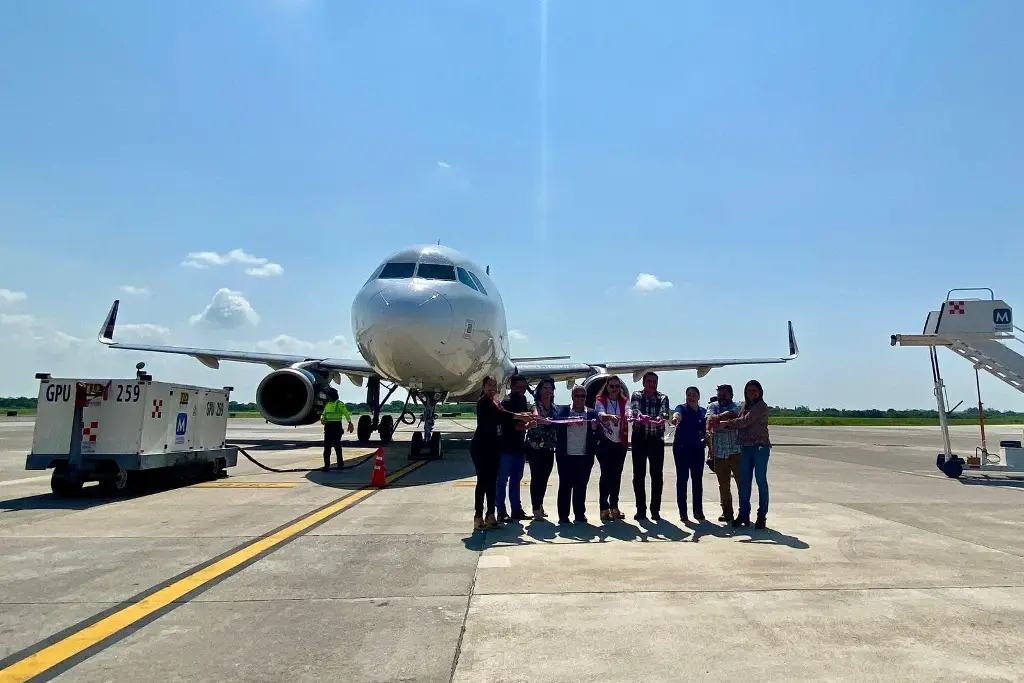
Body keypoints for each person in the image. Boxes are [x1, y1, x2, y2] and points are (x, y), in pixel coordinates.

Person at [470, 376, 533, 530]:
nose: (492, 387)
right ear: (483, 387)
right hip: (481, 447)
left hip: (494, 447)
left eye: (494, 385)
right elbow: (501, 416)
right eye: (489, 385)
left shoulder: (496, 403)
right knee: (483, 481)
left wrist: (524, 417)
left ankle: (490, 514)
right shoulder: (484, 402)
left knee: (491, 482)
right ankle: (478, 516)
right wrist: (519, 416)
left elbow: (503, 416)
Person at [718, 379, 771, 529]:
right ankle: (744, 515)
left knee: (761, 481)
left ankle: (762, 516)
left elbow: (744, 422)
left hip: (760, 447)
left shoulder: (761, 406)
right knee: (744, 483)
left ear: (760, 392)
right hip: (746, 448)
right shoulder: (744, 406)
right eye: (749, 391)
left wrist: (725, 423)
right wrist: (723, 422)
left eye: (754, 390)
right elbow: (738, 420)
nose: (752, 393)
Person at [550, 385, 602, 524]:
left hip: (584, 455)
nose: (579, 399)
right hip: (565, 455)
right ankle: (563, 516)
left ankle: (579, 514)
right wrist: (568, 422)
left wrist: (594, 427)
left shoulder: (591, 413)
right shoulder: (564, 411)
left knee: (581, 486)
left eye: (582, 396)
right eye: (577, 396)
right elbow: (555, 425)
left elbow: (599, 433)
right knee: (565, 486)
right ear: (572, 397)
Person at [628, 371, 671, 521]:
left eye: (654, 382)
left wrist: (661, 417)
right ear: (643, 383)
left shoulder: (662, 397)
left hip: (656, 439)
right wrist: (640, 416)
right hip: (640, 437)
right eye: (649, 381)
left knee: (657, 476)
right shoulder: (637, 395)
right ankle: (641, 509)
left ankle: (655, 509)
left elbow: (665, 412)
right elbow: (634, 409)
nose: (652, 384)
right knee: (638, 475)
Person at [496, 374, 535, 523]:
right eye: (519, 387)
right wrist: (528, 425)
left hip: (519, 447)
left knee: (515, 480)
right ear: (511, 387)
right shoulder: (506, 402)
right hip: (506, 448)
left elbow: (525, 415)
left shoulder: (522, 399)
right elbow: (514, 425)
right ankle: (501, 511)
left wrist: (532, 415)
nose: (522, 390)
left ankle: (516, 510)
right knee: (502, 481)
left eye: (524, 387)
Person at [705, 384, 742, 523]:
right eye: (720, 395)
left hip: (736, 451)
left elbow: (735, 414)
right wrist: (716, 421)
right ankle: (727, 512)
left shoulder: (738, 405)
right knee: (723, 485)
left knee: (741, 484)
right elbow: (709, 418)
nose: (722, 398)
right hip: (720, 452)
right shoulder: (713, 405)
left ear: (731, 395)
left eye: (725, 395)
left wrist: (719, 418)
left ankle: (743, 511)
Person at [594, 376, 629, 522]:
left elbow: (628, 410)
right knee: (606, 474)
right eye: (612, 386)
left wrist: (630, 415)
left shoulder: (624, 401)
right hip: (605, 442)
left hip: (620, 442)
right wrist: (608, 417)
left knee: (617, 475)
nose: (615, 389)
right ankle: (604, 507)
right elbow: (600, 413)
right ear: (606, 388)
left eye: (617, 386)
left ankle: (614, 506)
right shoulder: (600, 400)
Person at [669, 386, 707, 523]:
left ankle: (698, 510)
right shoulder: (682, 408)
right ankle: (683, 512)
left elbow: (707, 426)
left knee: (697, 480)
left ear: (698, 397)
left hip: (698, 449)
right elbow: (677, 414)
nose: (691, 397)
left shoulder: (703, 412)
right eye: (688, 394)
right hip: (682, 449)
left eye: (694, 395)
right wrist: (675, 419)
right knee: (682, 479)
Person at [526, 378, 558, 519]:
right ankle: (535, 507)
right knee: (537, 477)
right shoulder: (535, 405)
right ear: (539, 390)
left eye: (550, 388)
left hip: (549, 448)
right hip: (535, 448)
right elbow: (535, 417)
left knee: (544, 478)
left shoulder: (554, 407)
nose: (547, 391)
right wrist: (543, 420)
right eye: (544, 388)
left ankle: (540, 504)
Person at [319, 388, 354, 471]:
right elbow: (324, 413)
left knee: (337, 447)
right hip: (328, 427)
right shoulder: (328, 405)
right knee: (327, 447)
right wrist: (322, 418)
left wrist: (350, 422)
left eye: (328, 395)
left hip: (336, 427)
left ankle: (340, 464)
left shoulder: (339, 404)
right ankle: (326, 466)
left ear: (331, 396)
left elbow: (346, 413)